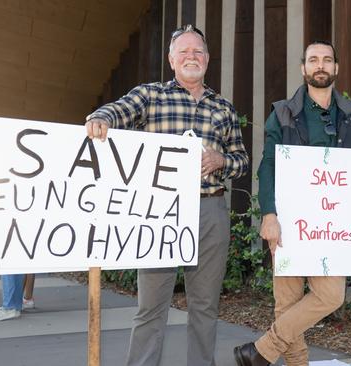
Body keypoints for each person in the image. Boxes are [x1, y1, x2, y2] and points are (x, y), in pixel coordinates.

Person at [85, 24, 248, 366]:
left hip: (210, 210)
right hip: (161, 214)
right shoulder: (151, 95)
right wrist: (101, 117)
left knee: (205, 306)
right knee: (151, 306)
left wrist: (221, 161)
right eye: (184, 51)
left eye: (198, 51)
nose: (192, 56)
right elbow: (118, 110)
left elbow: (241, 160)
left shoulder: (224, 108)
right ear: (171, 59)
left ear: (207, 59)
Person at [233, 41, 351, 366]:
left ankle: (260, 352)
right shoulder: (282, 112)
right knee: (287, 305)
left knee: (330, 296)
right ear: (304, 68)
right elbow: (267, 165)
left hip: (331, 228)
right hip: (288, 222)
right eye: (313, 60)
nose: (320, 65)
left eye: (327, 60)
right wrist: (268, 215)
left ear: (335, 68)